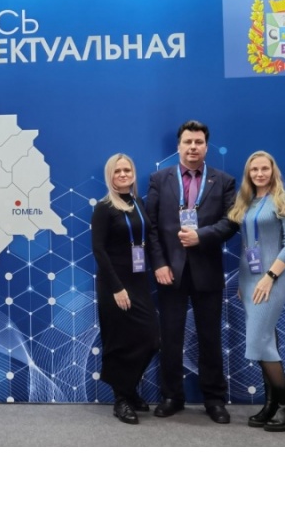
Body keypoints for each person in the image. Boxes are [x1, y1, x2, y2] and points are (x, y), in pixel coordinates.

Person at [146, 120, 239, 424]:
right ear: (179, 146)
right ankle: (172, 396)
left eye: (198, 142)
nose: (193, 147)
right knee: (171, 338)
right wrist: (159, 263)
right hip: (170, 272)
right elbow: (151, 227)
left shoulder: (223, 181)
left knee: (210, 338)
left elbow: (231, 222)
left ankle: (214, 399)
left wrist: (202, 236)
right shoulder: (160, 179)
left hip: (207, 270)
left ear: (206, 147)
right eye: (188, 142)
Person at [227, 150, 285, 431]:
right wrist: (242, 282)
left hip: (271, 281)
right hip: (249, 282)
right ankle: (271, 404)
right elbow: (247, 247)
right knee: (265, 342)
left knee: (260, 342)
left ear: (273, 171)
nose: (259, 173)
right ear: (248, 173)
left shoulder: (284, 200)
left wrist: (269, 276)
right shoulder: (246, 202)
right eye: (254, 169)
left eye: (264, 169)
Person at [91, 153, 160, 425]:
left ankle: (128, 389)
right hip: (114, 284)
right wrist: (117, 288)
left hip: (139, 281)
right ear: (110, 175)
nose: (123, 174)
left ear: (133, 173)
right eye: (117, 171)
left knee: (151, 339)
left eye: (127, 170)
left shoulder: (138, 203)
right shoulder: (104, 207)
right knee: (120, 341)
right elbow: (99, 250)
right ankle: (121, 399)